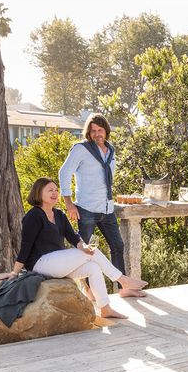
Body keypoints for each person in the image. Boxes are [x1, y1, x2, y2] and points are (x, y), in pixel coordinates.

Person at [6, 178, 147, 319]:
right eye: (50, 190)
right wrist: (14, 272)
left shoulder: (59, 214)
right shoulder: (33, 216)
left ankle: (105, 308)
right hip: (40, 263)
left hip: (58, 263)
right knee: (94, 253)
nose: (55, 193)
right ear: (38, 193)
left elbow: (73, 237)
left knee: (93, 267)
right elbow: (25, 247)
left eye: (56, 190)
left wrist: (83, 246)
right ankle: (122, 280)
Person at [59, 112, 145, 298]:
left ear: (106, 130)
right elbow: (64, 173)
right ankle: (90, 292)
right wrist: (69, 203)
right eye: (93, 131)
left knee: (117, 245)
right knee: (85, 252)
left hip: (107, 209)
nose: (97, 134)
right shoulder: (81, 149)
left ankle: (124, 289)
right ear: (88, 134)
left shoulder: (111, 151)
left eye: (100, 130)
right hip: (86, 209)